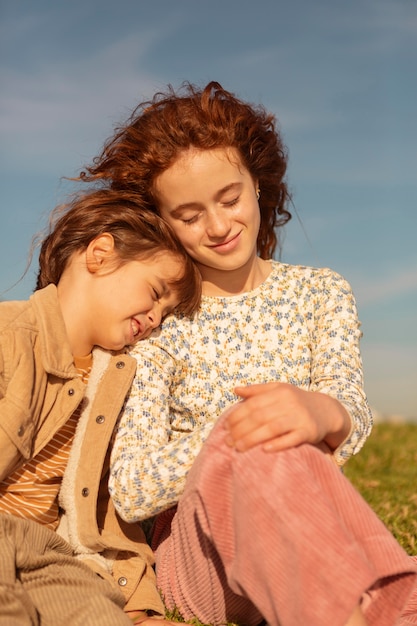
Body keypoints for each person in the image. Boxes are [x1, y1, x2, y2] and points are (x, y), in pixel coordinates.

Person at [81, 82, 417, 626]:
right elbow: (132, 487)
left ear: (258, 185)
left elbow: (349, 414)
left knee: (284, 440)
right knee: (262, 439)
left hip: (308, 531)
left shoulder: (321, 293)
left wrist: (320, 411)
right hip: (202, 564)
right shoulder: (158, 323)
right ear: (161, 221)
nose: (217, 226)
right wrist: (235, 431)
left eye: (229, 199)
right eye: (188, 215)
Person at [0, 187, 201, 626]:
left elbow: (106, 506)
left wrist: (138, 608)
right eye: (155, 291)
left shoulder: (115, 382)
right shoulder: (9, 334)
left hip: (48, 552)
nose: (155, 318)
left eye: (166, 314)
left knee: (97, 613)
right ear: (100, 254)